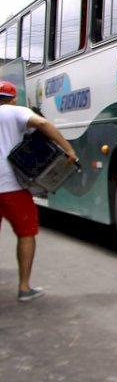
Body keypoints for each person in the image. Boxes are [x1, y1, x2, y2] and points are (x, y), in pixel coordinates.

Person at [0, 80, 78, 302]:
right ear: (14, 98)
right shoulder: (16, 111)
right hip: (9, 186)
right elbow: (42, 123)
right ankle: (24, 288)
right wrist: (68, 149)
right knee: (26, 233)